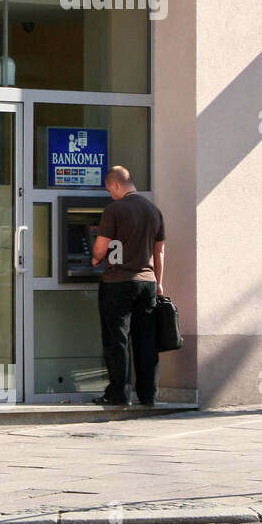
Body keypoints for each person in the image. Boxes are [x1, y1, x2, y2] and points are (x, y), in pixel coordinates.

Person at [90, 166, 166, 407]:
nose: (110, 194)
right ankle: (148, 395)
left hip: (118, 283)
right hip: (147, 284)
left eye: (109, 189)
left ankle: (119, 395)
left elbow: (101, 248)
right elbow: (159, 251)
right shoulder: (154, 211)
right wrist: (159, 282)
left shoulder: (114, 210)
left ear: (115, 185)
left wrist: (94, 258)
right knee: (146, 340)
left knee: (117, 340)